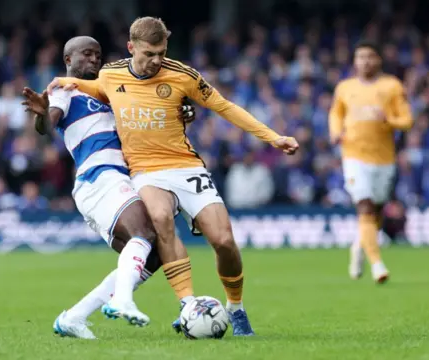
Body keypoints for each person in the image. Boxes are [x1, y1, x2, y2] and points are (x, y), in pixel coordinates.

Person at [46, 17, 299, 336]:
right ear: (131, 47)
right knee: (160, 223)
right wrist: (51, 92)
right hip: (144, 172)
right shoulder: (111, 75)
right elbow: (74, 87)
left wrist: (272, 137)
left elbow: (225, 107)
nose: (156, 61)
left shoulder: (182, 75)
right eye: (149, 54)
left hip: (186, 166)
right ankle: (188, 304)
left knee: (223, 241)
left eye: (161, 53)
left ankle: (236, 308)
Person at [22, 36, 196, 339]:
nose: (94, 59)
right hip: (99, 176)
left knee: (151, 255)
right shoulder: (66, 89)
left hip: (119, 179)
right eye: (86, 54)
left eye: (98, 55)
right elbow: (49, 122)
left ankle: (73, 317)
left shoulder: (110, 93)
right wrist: (42, 116)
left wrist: (180, 115)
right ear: (68, 60)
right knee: (144, 234)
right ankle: (122, 300)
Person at [328, 40, 413, 283]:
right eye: (361, 57)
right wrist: (335, 131)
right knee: (364, 205)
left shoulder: (392, 86)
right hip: (354, 156)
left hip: (384, 158)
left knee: (376, 213)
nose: (365, 61)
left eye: (370, 56)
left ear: (379, 60)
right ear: (355, 61)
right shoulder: (345, 87)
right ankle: (377, 264)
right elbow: (336, 112)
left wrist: (388, 119)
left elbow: (407, 120)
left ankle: (359, 246)